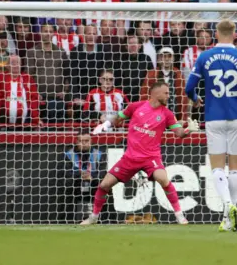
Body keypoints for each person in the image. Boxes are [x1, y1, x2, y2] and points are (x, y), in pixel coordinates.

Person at [185, 19, 237, 232]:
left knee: (217, 167)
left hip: (214, 117)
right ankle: (230, 214)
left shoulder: (204, 56)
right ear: (235, 34)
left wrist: (195, 98)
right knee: (236, 168)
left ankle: (228, 208)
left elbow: (188, 87)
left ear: (216, 34)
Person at [81, 81, 199, 225]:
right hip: (130, 157)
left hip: (151, 157)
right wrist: (106, 124)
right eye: (166, 93)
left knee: (163, 179)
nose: (169, 96)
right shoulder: (135, 107)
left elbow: (179, 133)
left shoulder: (167, 114)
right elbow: (118, 118)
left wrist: (188, 130)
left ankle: (180, 216)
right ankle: (93, 217)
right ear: (156, 93)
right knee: (104, 185)